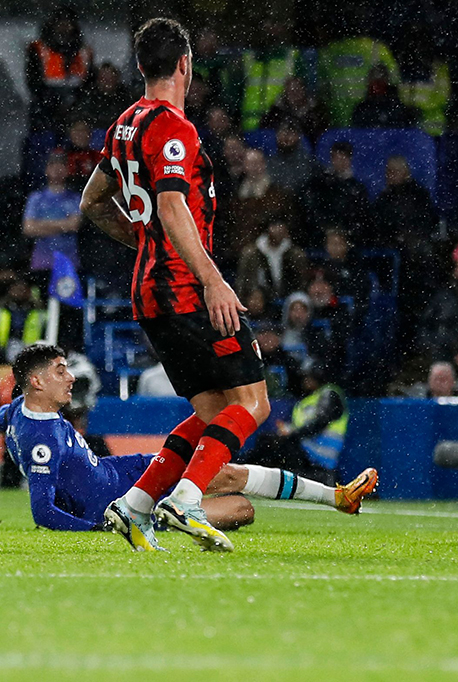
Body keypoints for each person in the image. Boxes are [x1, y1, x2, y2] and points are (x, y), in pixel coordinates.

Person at [79, 19, 271, 553]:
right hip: (187, 289)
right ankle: (186, 502)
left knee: (212, 412)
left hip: (149, 294)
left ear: (141, 66)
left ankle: (135, 504)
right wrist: (213, 280)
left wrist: (144, 246)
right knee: (254, 403)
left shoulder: (124, 124)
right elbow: (169, 203)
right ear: (185, 63)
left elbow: (91, 203)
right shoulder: (173, 127)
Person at [0, 345, 377, 537]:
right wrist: (104, 528)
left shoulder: (18, 410)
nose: (70, 378)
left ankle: (337, 497)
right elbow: (43, 513)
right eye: (60, 371)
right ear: (36, 382)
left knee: (227, 478)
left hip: (127, 472)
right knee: (241, 506)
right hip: (121, 499)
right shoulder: (41, 439)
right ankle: (336, 498)